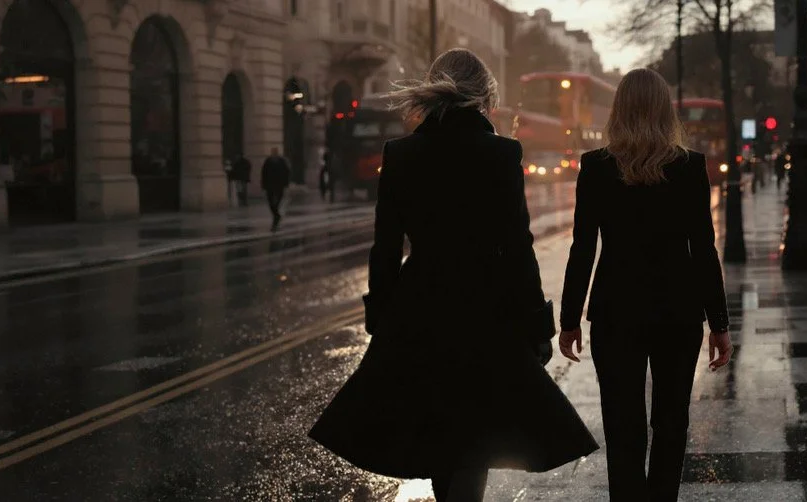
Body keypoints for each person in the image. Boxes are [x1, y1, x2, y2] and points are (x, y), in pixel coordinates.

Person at [310, 49, 598, 502]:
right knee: (474, 438)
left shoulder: (401, 154)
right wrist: (536, 325)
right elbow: (518, 248)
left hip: (419, 309)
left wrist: (380, 319)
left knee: (437, 433)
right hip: (487, 312)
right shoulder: (502, 153)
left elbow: (385, 249)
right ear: (484, 97)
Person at [559, 68, 734, 502]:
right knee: (672, 422)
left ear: (618, 110)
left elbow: (583, 249)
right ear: (664, 110)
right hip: (678, 310)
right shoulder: (690, 166)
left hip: (616, 310)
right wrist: (720, 322)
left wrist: (569, 320)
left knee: (623, 425)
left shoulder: (596, 166)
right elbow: (704, 250)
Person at [260, 148, 291, 230]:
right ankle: (276, 215)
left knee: (278, 201)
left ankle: (276, 216)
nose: (274, 154)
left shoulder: (282, 161)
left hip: (279, 185)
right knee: (270, 201)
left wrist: (286, 184)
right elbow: (264, 173)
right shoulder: (268, 161)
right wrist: (263, 185)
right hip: (270, 185)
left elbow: (286, 173)